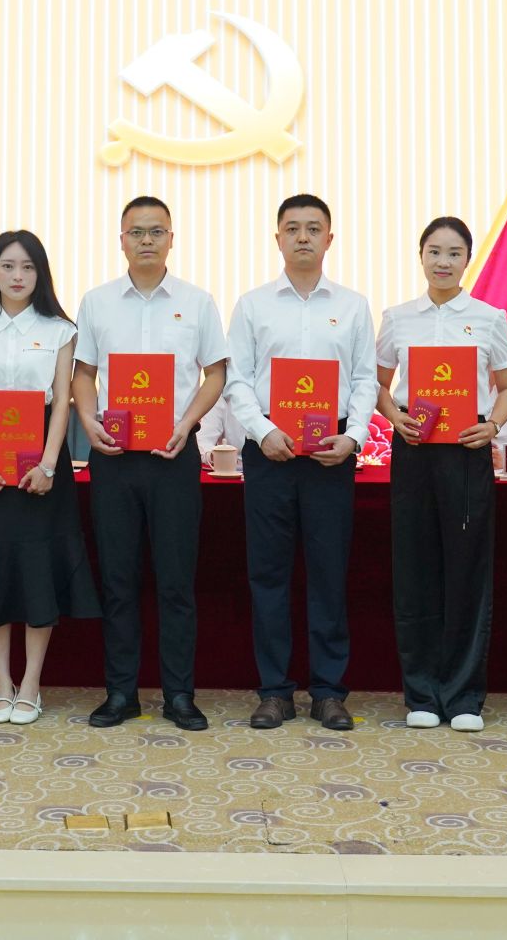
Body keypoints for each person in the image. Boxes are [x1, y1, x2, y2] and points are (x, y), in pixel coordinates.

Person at [72, 197, 230, 732]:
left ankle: (179, 695)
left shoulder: (197, 301)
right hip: (114, 459)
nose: (146, 240)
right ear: (121, 240)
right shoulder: (97, 302)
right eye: (136, 232)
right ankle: (121, 693)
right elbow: (83, 373)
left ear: (171, 238)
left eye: (156, 231)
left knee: (175, 583)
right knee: (118, 580)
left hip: (173, 457)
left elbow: (215, 373)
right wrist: (89, 420)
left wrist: (187, 423)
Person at [224, 194, 377, 731]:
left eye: (314, 228)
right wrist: (263, 431)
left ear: (330, 239)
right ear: (278, 238)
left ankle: (329, 692)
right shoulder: (252, 305)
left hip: (332, 453)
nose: (303, 237)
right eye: (293, 228)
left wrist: (354, 437)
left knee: (328, 573)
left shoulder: (353, 305)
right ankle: (274, 691)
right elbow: (237, 379)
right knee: (268, 574)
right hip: (270, 449)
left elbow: (365, 379)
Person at [0, 230, 100, 726]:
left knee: (37, 569)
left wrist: (49, 465)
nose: (17, 276)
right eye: (8, 266)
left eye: (27, 267)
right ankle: (1, 685)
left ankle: (31, 685)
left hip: (42, 469)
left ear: (40, 274)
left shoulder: (60, 331)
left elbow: (62, 402)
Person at [374, 216, 507, 732]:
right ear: (421, 256)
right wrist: (395, 417)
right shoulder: (397, 319)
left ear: (467, 260)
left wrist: (492, 426)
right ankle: (420, 694)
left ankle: (463, 697)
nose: (443, 261)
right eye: (434, 251)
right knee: (414, 570)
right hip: (414, 449)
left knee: (466, 571)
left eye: (454, 253)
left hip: (465, 450)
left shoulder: (489, 318)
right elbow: (378, 384)